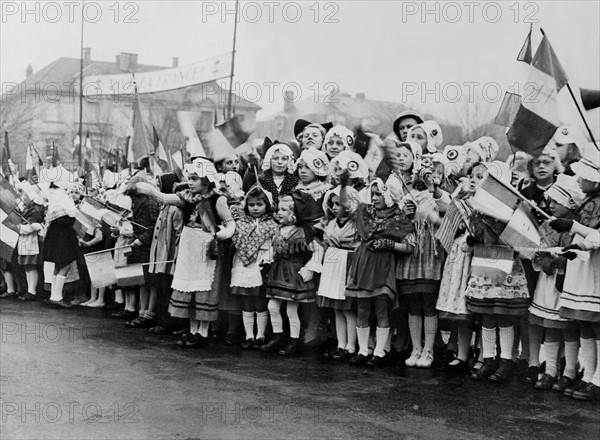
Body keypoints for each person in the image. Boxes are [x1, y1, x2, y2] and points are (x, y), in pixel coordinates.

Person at [134, 158, 236, 348]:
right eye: (189, 178)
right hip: (189, 247)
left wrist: (223, 233)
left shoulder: (217, 199)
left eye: (195, 178)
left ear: (206, 180)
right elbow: (164, 199)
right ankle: (193, 330)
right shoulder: (187, 197)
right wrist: (146, 189)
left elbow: (230, 222)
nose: (190, 182)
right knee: (188, 288)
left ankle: (203, 333)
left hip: (206, 248)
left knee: (204, 289)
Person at [345, 178, 415, 367]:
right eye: (373, 194)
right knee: (362, 307)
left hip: (383, 265)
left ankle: (380, 351)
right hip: (363, 262)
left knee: (381, 308)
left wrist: (389, 244)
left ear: (389, 196)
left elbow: (410, 246)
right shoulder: (365, 213)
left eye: (379, 194)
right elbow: (348, 202)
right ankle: (363, 349)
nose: (374, 198)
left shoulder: (400, 219)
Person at [549, 147, 600, 401]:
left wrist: (573, 228)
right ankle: (589, 375)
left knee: (597, 324)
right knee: (585, 324)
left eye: (584, 176)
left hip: (595, 273)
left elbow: (598, 237)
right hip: (582, 270)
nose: (579, 180)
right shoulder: (588, 202)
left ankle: (599, 379)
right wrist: (573, 245)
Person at [528, 174, 585, 390]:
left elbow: (578, 254)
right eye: (549, 201)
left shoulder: (576, 227)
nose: (550, 205)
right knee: (550, 326)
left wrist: (561, 260)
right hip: (547, 283)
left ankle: (569, 371)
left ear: (570, 203)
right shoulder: (547, 226)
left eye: (555, 202)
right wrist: (542, 257)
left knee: (568, 328)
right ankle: (550, 369)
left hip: (568, 282)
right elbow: (539, 251)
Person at [261, 191, 323, 356]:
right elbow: (274, 248)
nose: (278, 213)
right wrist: (266, 258)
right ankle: (278, 335)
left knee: (291, 309)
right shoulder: (279, 229)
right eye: (278, 209)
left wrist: (310, 267)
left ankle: (295, 340)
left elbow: (318, 250)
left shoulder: (303, 233)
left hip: (294, 272)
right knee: (272, 306)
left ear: (294, 214)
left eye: (283, 210)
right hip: (278, 270)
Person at [230, 186, 279, 349]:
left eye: (259, 204)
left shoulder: (272, 224)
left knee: (260, 300)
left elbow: (276, 243)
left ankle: (261, 335)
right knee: (247, 300)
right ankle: (249, 335)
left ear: (267, 205)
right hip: (244, 263)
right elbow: (235, 239)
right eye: (251, 205)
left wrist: (268, 255)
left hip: (261, 262)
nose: (255, 208)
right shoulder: (241, 223)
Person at [318, 183, 361, 361]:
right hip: (332, 262)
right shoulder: (331, 223)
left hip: (348, 262)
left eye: (339, 204)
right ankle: (340, 343)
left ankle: (351, 345)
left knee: (348, 308)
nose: (335, 208)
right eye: (333, 204)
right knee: (337, 308)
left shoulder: (356, 223)